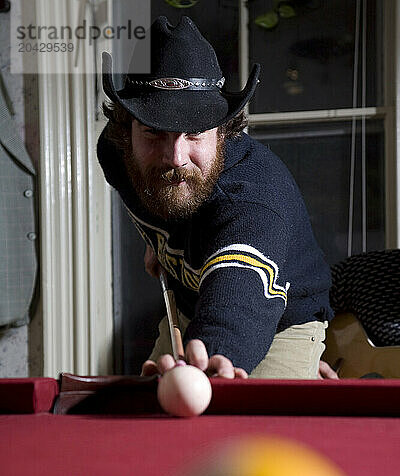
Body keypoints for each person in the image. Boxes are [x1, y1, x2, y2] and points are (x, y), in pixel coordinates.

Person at [97, 16, 334, 380]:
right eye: (154, 132)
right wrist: (157, 244)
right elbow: (156, 204)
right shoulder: (117, 157)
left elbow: (239, 299)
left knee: (235, 426)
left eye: (194, 133)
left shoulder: (255, 202)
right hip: (191, 305)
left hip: (279, 323)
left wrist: (212, 357)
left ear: (223, 132)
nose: (175, 157)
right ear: (124, 132)